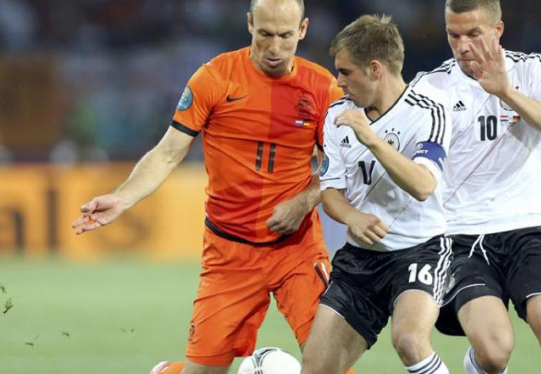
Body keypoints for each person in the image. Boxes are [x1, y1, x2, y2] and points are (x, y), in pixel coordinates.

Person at [71, 0, 347, 373]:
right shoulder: (215, 78)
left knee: (334, 364)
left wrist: (305, 200)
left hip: (297, 248)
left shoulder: (322, 88)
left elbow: (339, 164)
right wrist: (122, 197)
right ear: (249, 24)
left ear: (303, 30)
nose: (275, 48)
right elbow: (168, 152)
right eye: (265, 34)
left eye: (285, 36)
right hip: (230, 252)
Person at [419, 1, 541, 373]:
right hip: (460, 236)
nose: (463, 45)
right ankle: (478, 363)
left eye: (473, 34)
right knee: (495, 350)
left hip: (530, 226)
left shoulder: (532, 69)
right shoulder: (431, 88)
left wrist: (507, 93)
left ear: (498, 30)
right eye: (454, 35)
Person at [301, 15, 453, 374]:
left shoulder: (431, 108)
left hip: (421, 249)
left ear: (374, 69)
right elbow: (331, 191)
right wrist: (353, 217)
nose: (338, 81)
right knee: (315, 368)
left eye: (345, 71)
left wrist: (370, 137)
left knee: (410, 341)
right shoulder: (338, 115)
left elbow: (423, 185)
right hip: (361, 259)